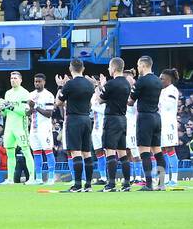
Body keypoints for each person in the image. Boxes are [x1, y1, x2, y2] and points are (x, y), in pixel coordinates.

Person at [57, 60, 98, 192]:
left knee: (75, 152)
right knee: (87, 153)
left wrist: (60, 87)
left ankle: (77, 185)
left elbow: (58, 102)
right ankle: (88, 185)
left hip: (74, 119)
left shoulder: (69, 84)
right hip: (86, 119)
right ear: (83, 68)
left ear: (70, 68)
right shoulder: (89, 84)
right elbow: (91, 103)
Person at [130, 55, 164, 191]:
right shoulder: (158, 81)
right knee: (157, 151)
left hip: (145, 117)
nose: (138, 68)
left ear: (143, 65)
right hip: (156, 117)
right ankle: (161, 184)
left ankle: (149, 184)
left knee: (144, 152)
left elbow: (131, 101)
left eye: (138, 66)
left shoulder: (141, 81)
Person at [99, 57, 132, 192]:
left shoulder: (111, 84)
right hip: (122, 119)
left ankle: (111, 184)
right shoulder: (126, 83)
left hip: (111, 119)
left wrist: (101, 85)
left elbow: (100, 100)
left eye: (109, 67)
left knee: (110, 151)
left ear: (113, 68)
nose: (108, 69)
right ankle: (126, 183)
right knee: (122, 152)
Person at [0, 71, 33, 185]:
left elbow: (25, 112)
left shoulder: (25, 93)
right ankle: (10, 178)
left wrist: (11, 107)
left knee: (26, 150)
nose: (13, 80)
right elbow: (6, 113)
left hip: (20, 127)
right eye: (11, 78)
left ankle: (32, 177)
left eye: (15, 78)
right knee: (10, 152)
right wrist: (2, 108)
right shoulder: (8, 93)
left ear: (20, 80)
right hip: (9, 126)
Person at [27, 73, 57, 185]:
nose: (37, 83)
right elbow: (27, 113)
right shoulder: (31, 95)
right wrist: (30, 108)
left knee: (48, 151)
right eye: (35, 81)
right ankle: (38, 178)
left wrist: (35, 106)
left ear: (44, 82)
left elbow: (49, 114)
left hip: (44, 128)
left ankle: (51, 178)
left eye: (39, 81)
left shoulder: (48, 95)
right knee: (36, 152)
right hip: (33, 128)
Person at [159, 68, 181, 187]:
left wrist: (158, 98)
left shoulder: (172, 90)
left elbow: (168, 105)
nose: (160, 80)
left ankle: (175, 178)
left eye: (162, 78)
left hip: (169, 124)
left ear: (169, 79)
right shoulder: (162, 90)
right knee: (162, 150)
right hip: (161, 123)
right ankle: (166, 178)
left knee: (170, 149)